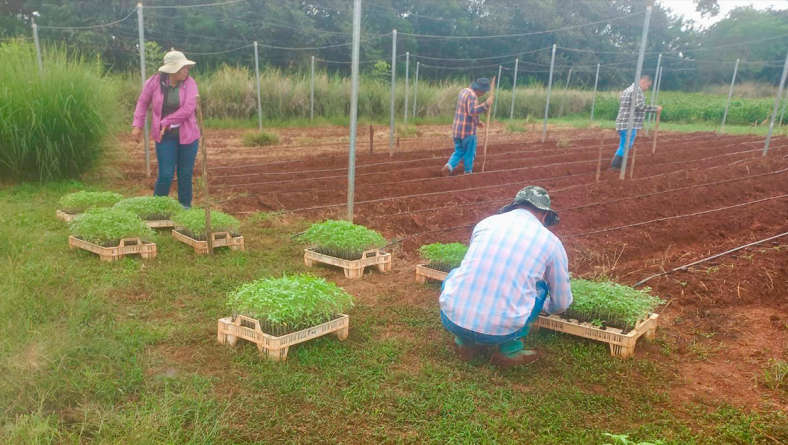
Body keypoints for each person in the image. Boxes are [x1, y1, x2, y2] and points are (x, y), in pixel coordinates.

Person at [439, 186, 573, 368]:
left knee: (456, 273)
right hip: (500, 332)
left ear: (515, 206)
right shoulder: (551, 242)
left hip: (451, 319)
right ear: (543, 215)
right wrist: (544, 307)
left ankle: (464, 343)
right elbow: (562, 303)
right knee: (540, 287)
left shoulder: (486, 223)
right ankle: (510, 350)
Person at [132, 50, 200, 209]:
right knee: (166, 174)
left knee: (185, 174)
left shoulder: (190, 83)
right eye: (182, 67)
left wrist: (167, 121)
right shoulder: (154, 82)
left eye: (186, 67)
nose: (186, 70)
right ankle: (156, 209)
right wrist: (137, 125)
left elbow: (189, 107)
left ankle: (185, 208)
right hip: (165, 137)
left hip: (188, 136)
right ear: (172, 69)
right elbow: (142, 103)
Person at [441, 78, 494, 177]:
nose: (483, 94)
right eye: (484, 92)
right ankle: (468, 173)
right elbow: (472, 111)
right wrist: (485, 104)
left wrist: (477, 122)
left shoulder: (464, 91)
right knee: (469, 153)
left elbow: (465, 111)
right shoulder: (473, 96)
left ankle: (448, 167)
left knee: (459, 151)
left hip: (457, 129)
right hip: (468, 132)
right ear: (480, 90)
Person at [610, 75, 662, 170]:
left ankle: (618, 165)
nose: (647, 88)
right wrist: (655, 109)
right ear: (643, 82)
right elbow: (639, 106)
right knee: (625, 146)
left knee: (625, 145)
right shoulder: (637, 91)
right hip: (629, 124)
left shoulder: (628, 90)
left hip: (623, 123)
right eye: (648, 86)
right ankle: (615, 165)